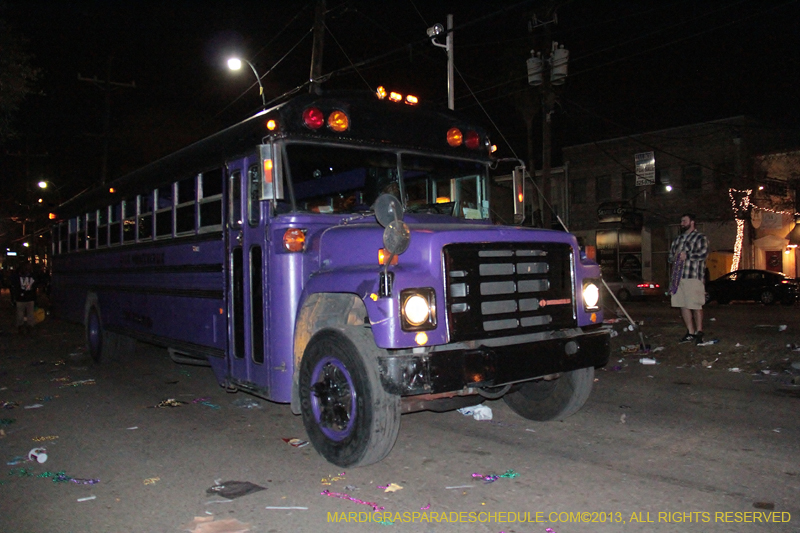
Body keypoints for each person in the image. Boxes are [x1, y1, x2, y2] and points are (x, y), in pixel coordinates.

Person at [668, 213, 709, 345]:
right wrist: (674, 257)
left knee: (695, 305)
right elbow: (670, 257)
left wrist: (688, 255)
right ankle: (690, 332)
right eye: (681, 221)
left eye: (684, 221)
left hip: (693, 276)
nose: (682, 223)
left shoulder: (700, 237)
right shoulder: (678, 239)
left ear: (692, 222)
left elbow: (703, 254)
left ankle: (699, 332)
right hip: (678, 278)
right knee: (683, 304)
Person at [12, 262, 38, 335]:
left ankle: (24, 327)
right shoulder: (31, 276)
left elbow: (15, 286)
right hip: (26, 297)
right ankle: (27, 327)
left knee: (23, 313)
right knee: (28, 313)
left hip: (23, 297)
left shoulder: (19, 276)